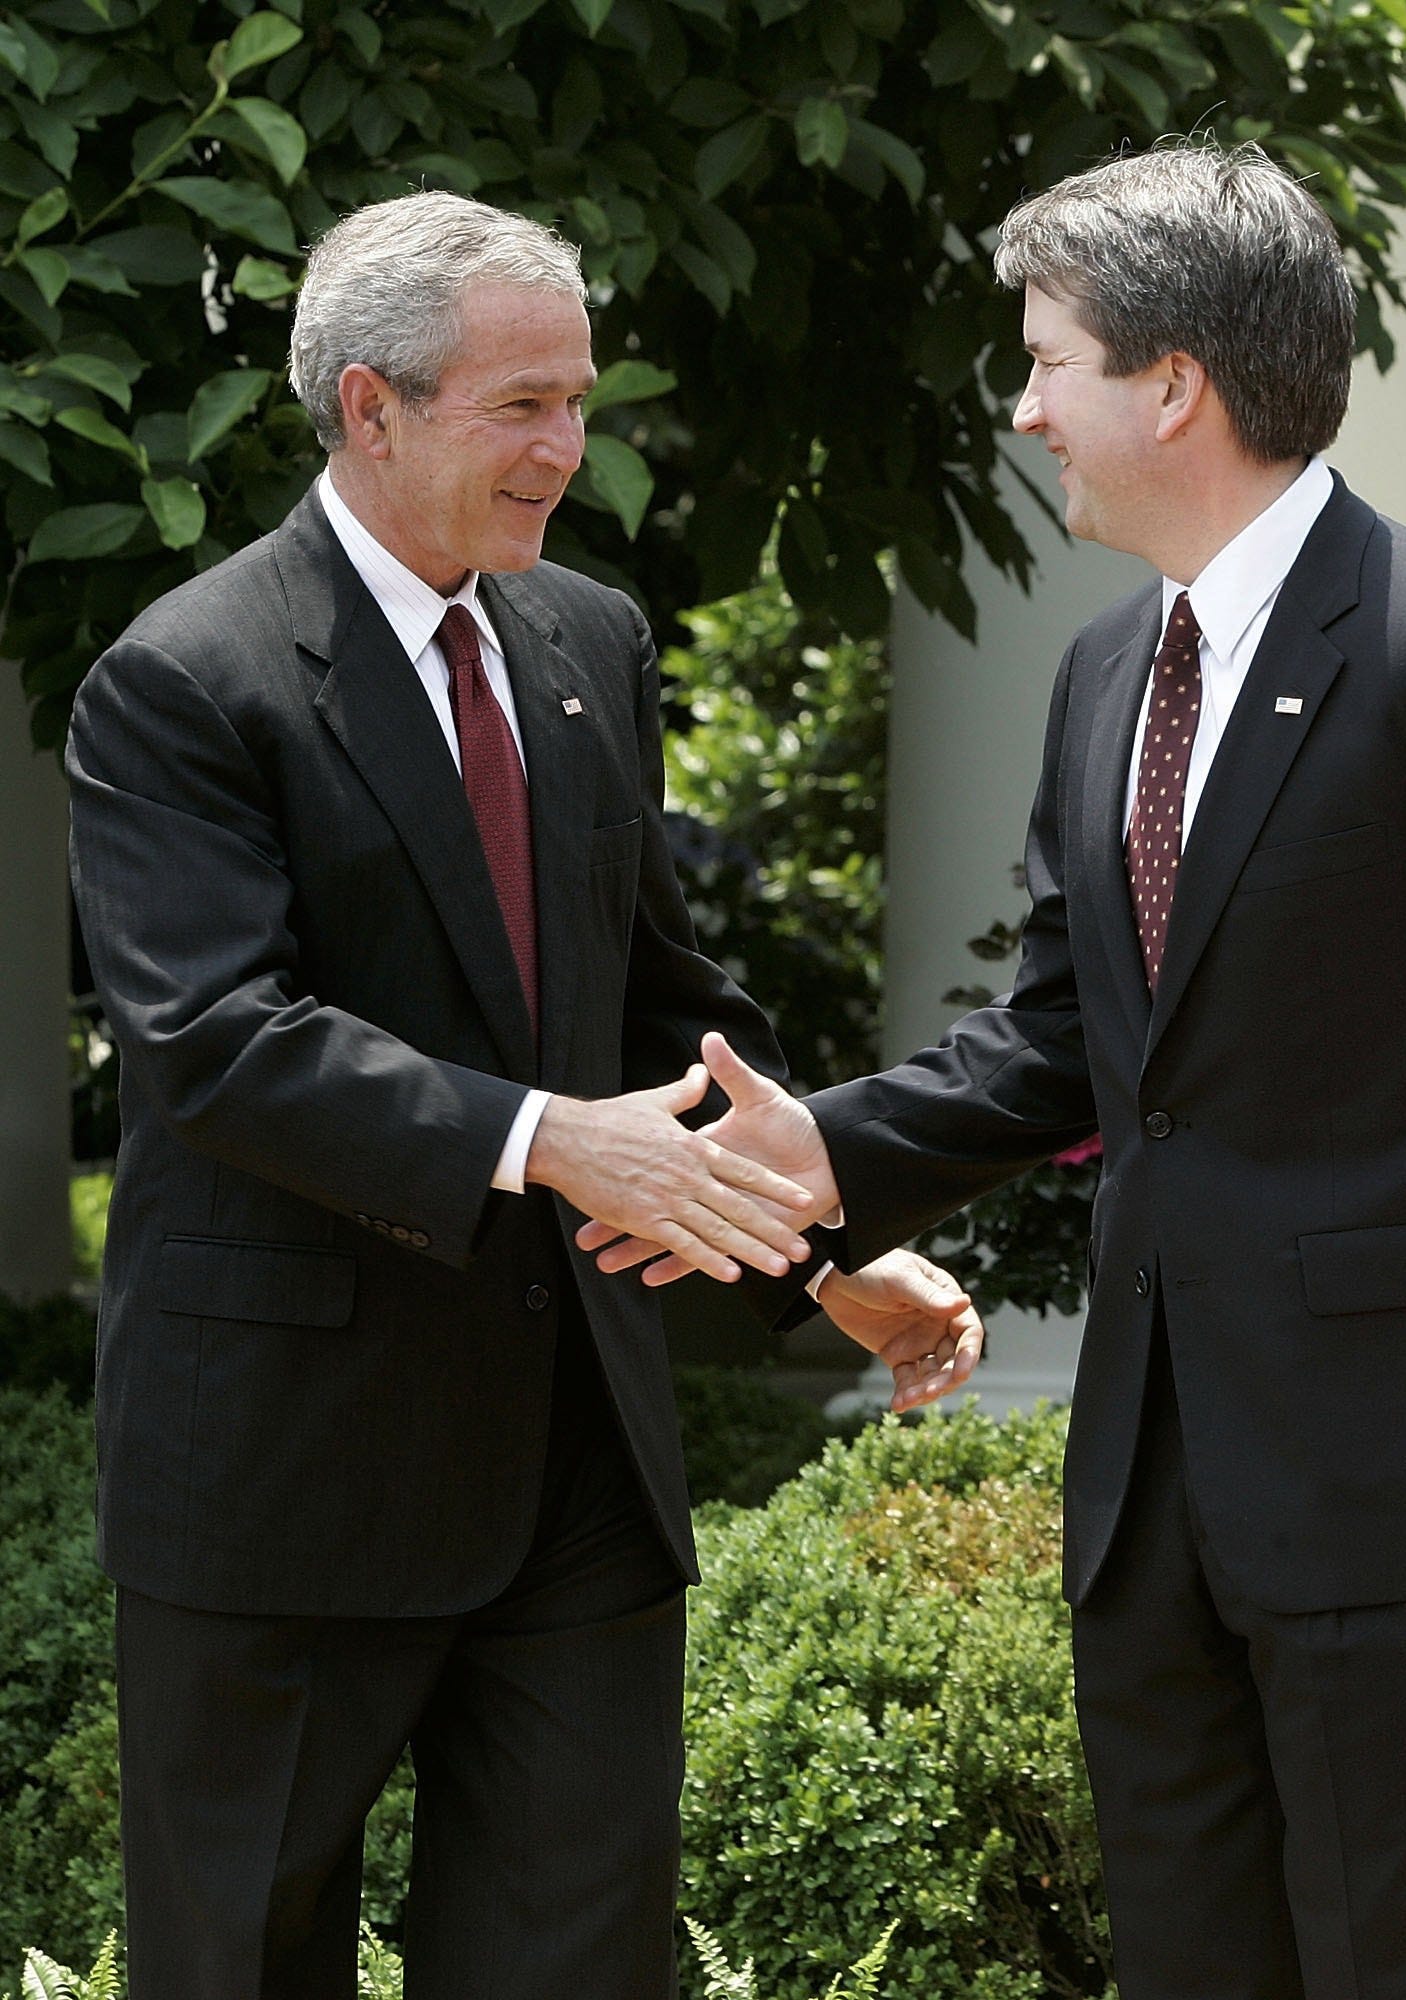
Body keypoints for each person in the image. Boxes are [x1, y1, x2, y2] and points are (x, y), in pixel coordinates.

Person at [591, 142, 1406, 1999]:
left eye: (1049, 359)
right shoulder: (1107, 670)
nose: (1024, 407)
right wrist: (817, 1160)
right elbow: (1073, 1039)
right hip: (1157, 1489)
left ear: (1176, 384)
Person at [63, 191, 978, 1998]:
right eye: (521, 407)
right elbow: (219, 1040)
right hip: (282, 1470)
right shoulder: (181, 679)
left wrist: (820, 1234)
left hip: (577, 1463)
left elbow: (659, 1009)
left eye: (579, 401)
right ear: (368, 408)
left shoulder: (588, 642)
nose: (567, 450)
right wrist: (549, 1141)